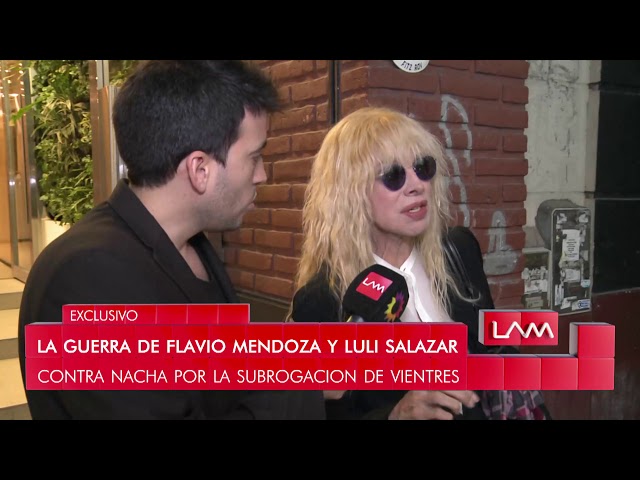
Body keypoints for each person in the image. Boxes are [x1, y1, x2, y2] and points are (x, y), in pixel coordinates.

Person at [17, 60, 325, 420]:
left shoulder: (192, 245)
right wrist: (303, 389)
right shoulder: (85, 279)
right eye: (255, 157)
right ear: (199, 169)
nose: (262, 175)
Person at [288, 106, 550, 420]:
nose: (416, 185)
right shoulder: (322, 300)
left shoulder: (458, 250)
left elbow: (488, 343)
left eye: (422, 167)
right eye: (393, 175)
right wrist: (396, 415)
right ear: (351, 193)